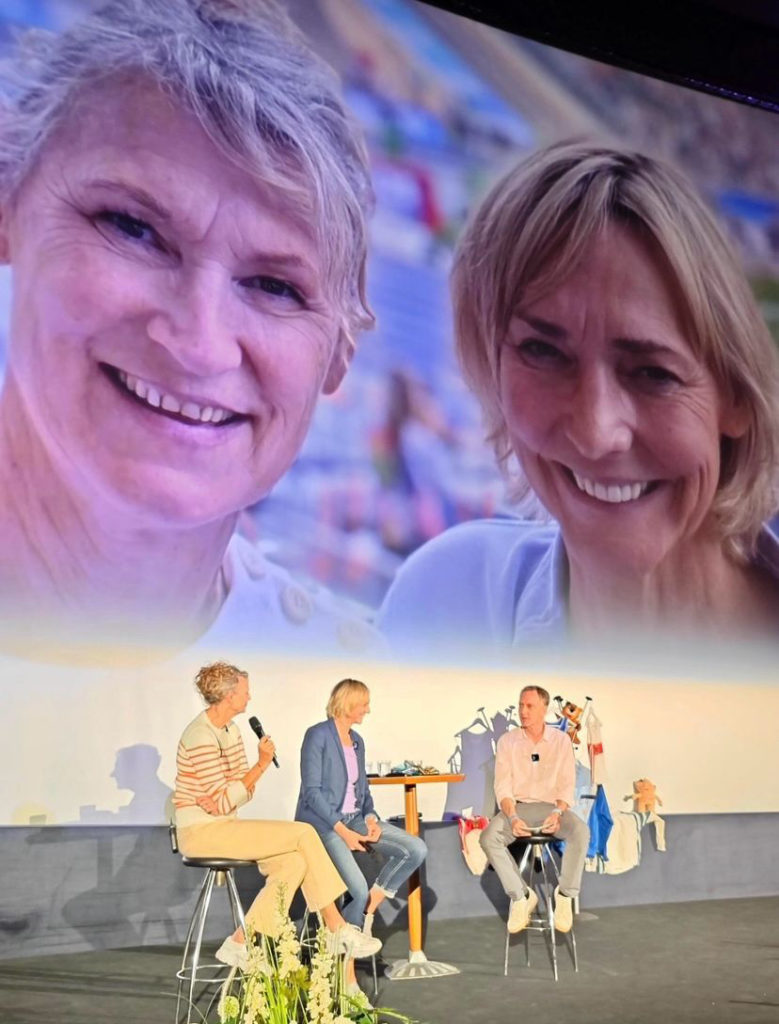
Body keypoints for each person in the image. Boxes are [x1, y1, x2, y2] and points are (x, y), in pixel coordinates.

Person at [0, 0, 377, 660]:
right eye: (132, 229)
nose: (198, 343)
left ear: (340, 352)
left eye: (274, 287)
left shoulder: (369, 704)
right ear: (10, 210)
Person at [379, 141, 779, 656]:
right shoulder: (441, 607)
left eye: (653, 374)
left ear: (737, 398)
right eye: (542, 351)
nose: (594, 432)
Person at [173, 661, 382, 979]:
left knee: (293, 863)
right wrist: (256, 769)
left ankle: (240, 941)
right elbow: (225, 799)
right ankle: (336, 926)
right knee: (302, 832)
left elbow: (239, 792)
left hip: (224, 824)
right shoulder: (201, 735)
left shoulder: (230, 731)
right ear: (229, 696)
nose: (250, 696)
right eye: (244, 691)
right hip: (202, 832)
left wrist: (250, 773)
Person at [295, 679, 427, 942]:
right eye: (364, 704)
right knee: (357, 888)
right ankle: (347, 959)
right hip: (323, 824)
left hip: (355, 818)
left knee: (416, 849)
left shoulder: (357, 741)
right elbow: (311, 793)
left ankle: (364, 915)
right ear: (348, 703)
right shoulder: (317, 735)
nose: (368, 710)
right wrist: (343, 832)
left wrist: (370, 818)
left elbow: (363, 791)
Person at [480, 685, 589, 934]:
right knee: (488, 837)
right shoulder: (508, 741)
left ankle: (564, 895)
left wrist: (558, 812)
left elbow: (566, 784)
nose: (523, 711)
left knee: (580, 831)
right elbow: (503, 787)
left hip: (552, 810)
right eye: (521, 705)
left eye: (529, 706)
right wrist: (513, 815)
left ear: (544, 709)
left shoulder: (561, 740)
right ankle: (521, 896)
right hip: (518, 810)